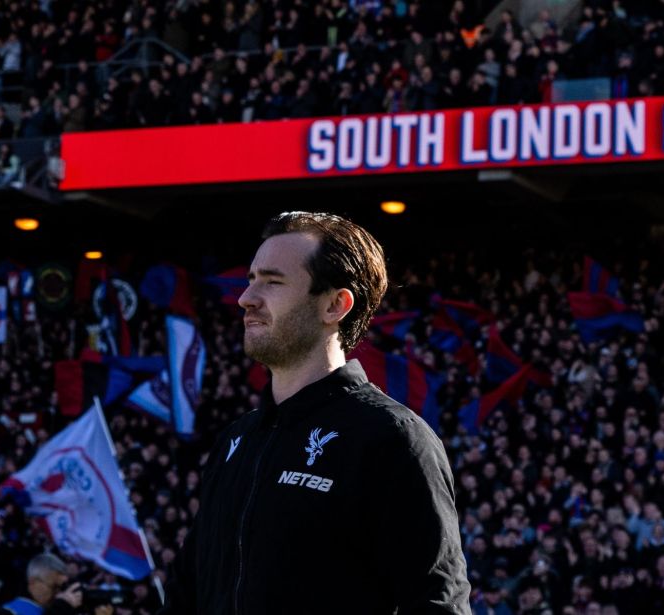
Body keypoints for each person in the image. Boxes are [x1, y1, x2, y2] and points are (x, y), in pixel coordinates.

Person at [158, 211, 472, 614]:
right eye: (251, 279)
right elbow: (185, 595)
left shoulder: (392, 437)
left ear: (335, 305)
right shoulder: (236, 440)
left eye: (272, 281)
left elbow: (437, 604)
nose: (246, 298)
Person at [0, 553, 111, 615]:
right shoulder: (9, 611)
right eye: (55, 587)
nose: (59, 594)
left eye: (63, 587)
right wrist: (61, 608)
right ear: (33, 583)